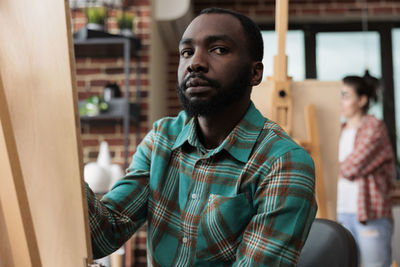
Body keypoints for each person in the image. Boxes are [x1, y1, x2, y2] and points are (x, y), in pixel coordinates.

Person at [86, 7, 317, 266]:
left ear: (255, 73)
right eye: (187, 52)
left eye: (218, 49)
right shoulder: (162, 139)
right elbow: (101, 236)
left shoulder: (284, 162)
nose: (195, 62)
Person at [337, 75, 395, 267]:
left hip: (369, 215)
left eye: (345, 96)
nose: (340, 101)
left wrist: (329, 167)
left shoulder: (374, 127)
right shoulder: (339, 130)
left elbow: (352, 167)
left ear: (362, 100)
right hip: (340, 212)